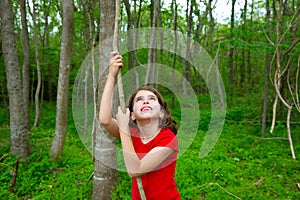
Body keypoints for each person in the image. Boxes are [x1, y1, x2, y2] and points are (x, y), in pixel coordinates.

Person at [99, 51, 181, 200]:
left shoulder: (168, 139)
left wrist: (123, 129)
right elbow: (105, 120)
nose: (145, 101)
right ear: (132, 115)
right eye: (139, 100)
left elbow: (135, 170)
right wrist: (111, 76)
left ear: (161, 113)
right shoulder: (131, 133)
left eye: (151, 99)